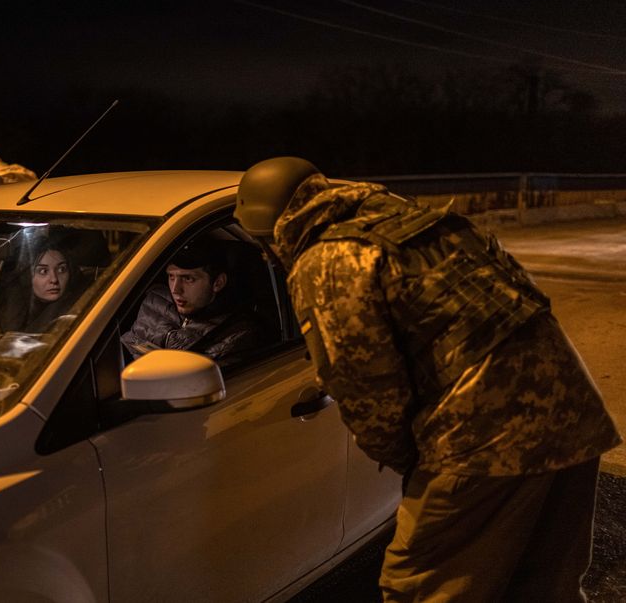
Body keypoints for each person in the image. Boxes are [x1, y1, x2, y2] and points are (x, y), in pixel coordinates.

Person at [234, 156, 621, 602]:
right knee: (543, 588)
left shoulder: (326, 259)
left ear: (272, 230)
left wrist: (418, 468)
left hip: (484, 441)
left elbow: (369, 397)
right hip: (574, 415)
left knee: (423, 585)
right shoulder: (420, 221)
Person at [121, 239, 262, 367]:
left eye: (188, 279)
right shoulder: (154, 300)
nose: (175, 290)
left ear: (218, 283)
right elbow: (123, 348)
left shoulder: (236, 335)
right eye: (171, 276)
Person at [0, 241, 83, 333]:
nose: (54, 279)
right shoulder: (10, 310)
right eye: (43, 271)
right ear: (27, 277)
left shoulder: (80, 309)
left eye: (61, 269)